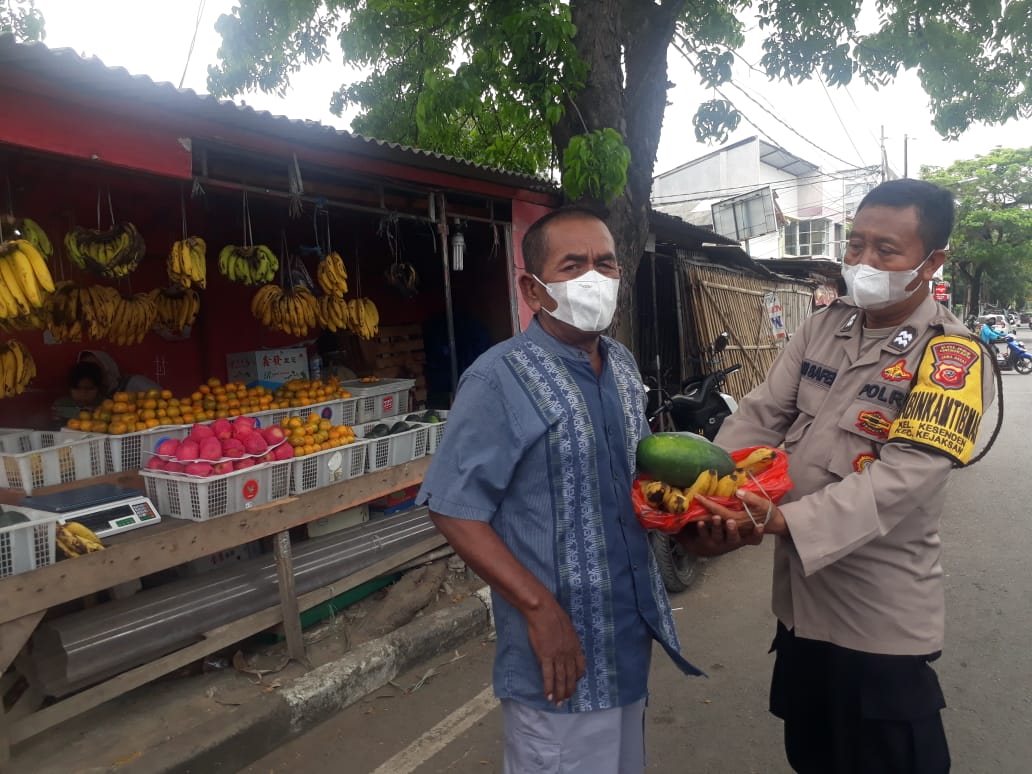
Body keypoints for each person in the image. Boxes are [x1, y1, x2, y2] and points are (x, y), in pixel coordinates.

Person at [690, 179, 993, 774]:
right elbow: (760, 416)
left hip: (877, 617)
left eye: (887, 250)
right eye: (856, 244)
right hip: (802, 608)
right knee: (813, 755)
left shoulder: (954, 358)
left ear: (933, 262)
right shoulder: (823, 327)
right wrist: (712, 496)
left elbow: (904, 479)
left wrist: (778, 519)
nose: (864, 261)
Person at [416, 207, 702, 774]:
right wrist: (540, 610)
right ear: (533, 287)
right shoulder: (496, 378)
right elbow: (453, 508)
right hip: (555, 654)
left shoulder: (620, 364)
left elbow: (639, 477)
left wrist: (696, 518)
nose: (594, 278)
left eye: (605, 263)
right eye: (573, 266)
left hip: (627, 636)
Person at [77, 350, 161, 397]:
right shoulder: (94, 397)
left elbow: (165, 401)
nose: (90, 373)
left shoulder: (135, 382)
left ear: (108, 367)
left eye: (95, 368)